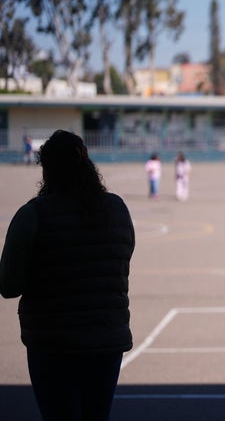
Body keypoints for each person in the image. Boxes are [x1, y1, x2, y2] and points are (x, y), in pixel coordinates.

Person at [0, 130, 135, 421]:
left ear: (47, 170)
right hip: (105, 340)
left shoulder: (33, 215)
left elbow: (8, 286)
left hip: (53, 343)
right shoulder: (118, 209)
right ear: (86, 162)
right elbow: (122, 264)